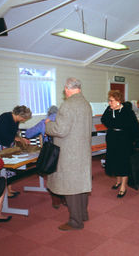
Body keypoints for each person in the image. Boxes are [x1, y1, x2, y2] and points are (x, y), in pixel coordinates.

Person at [45, 77, 92, 231]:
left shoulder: (67, 105)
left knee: (70, 186)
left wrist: (48, 125)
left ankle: (75, 221)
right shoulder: (85, 103)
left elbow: (60, 130)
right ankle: (83, 214)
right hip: (82, 150)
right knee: (81, 184)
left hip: (69, 152)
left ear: (67, 88)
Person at [25, 105, 66, 209]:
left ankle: (56, 201)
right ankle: (65, 198)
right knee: (63, 175)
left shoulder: (44, 122)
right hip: (65, 151)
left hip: (51, 153)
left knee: (52, 176)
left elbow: (28, 134)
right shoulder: (64, 120)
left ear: (49, 113)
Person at [101, 90, 139, 198]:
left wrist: (136, 141)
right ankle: (118, 181)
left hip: (124, 141)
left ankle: (123, 186)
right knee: (115, 161)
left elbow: (135, 127)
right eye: (109, 101)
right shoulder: (109, 110)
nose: (109, 103)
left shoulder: (127, 111)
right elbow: (103, 119)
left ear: (118, 101)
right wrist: (112, 123)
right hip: (112, 139)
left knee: (124, 163)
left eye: (111, 101)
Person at [0, 105, 32, 199]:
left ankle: (9, 189)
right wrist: (17, 139)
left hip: (8, 145)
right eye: (24, 118)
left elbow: (14, 133)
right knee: (0, 169)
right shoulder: (5, 117)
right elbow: (4, 134)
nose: (24, 120)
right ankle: (0, 192)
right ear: (20, 115)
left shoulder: (16, 121)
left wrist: (22, 139)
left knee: (10, 169)